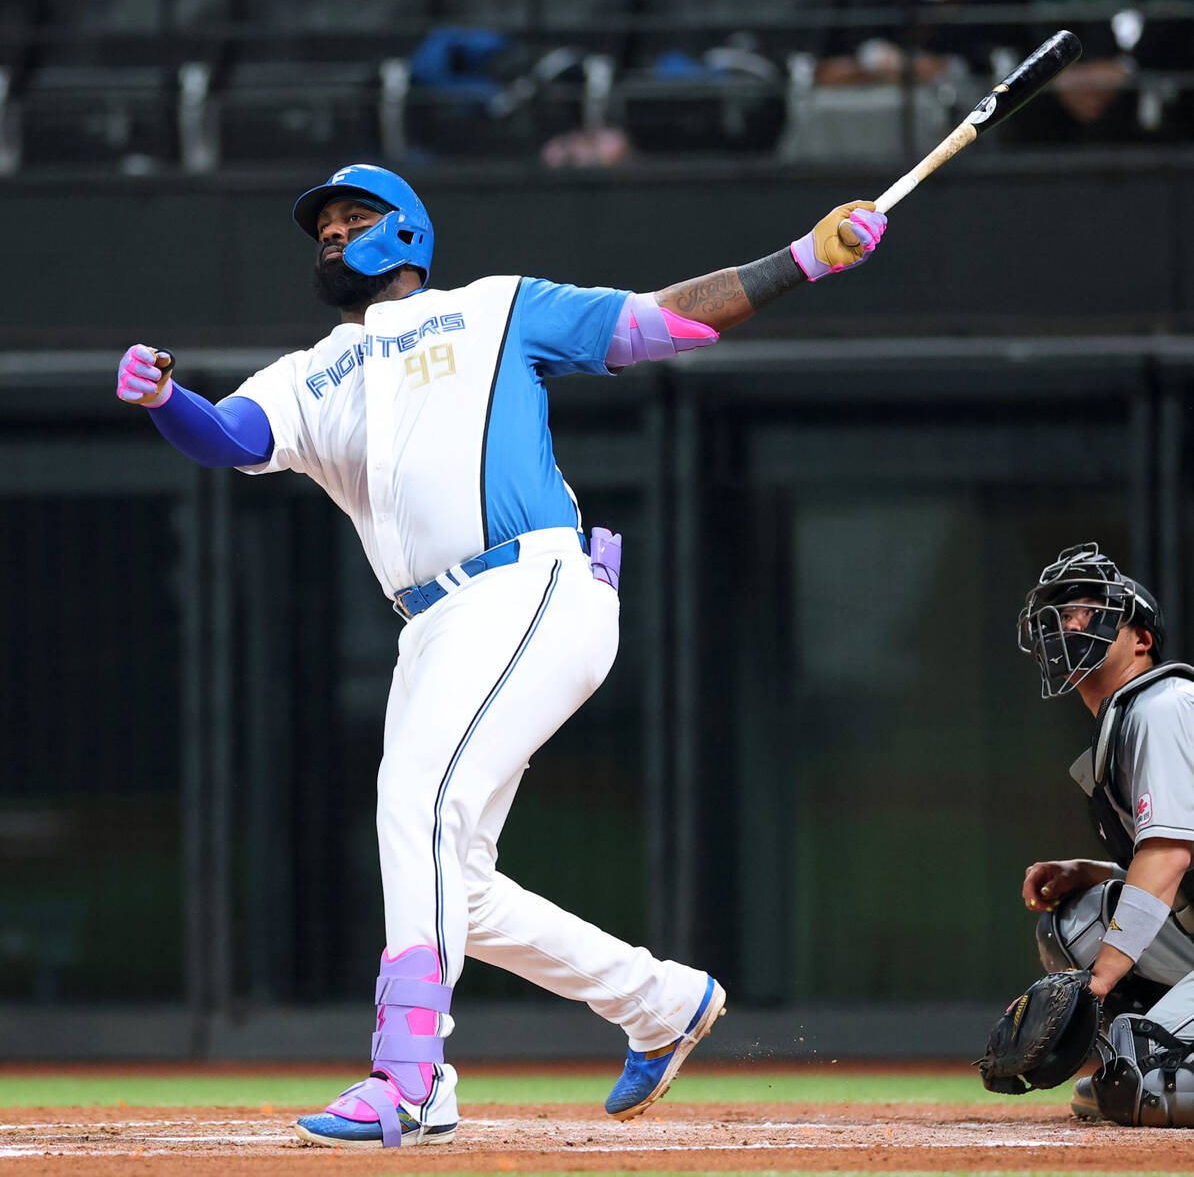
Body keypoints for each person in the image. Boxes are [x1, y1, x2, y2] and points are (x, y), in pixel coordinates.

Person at [114, 163, 887, 1149]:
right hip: (433, 627)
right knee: (455, 881)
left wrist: (803, 259)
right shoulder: (313, 373)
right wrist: (166, 399)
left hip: (529, 585)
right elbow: (228, 437)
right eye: (324, 226)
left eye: (354, 217)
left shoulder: (492, 308)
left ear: (406, 232)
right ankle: (657, 1000)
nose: (333, 234)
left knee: (415, 804)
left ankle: (410, 1074)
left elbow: (656, 322)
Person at [1017, 541, 1194, 1126]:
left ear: (1140, 639)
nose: (1068, 625)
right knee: (1075, 919)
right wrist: (1094, 871)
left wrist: (1097, 984)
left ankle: (1160, 1048)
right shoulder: (1132, 718)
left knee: (1148, 1084)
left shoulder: (1163, 705)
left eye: (1086, 612)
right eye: (1062, 614)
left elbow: (1168, 858)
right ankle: (1158, 1036)